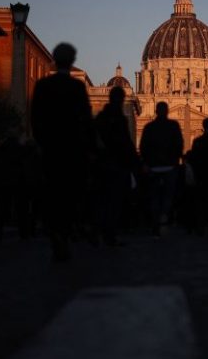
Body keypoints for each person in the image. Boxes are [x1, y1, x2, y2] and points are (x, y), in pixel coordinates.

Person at [30, 42, 94, 261]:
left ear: (55, 61)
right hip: (72, 150)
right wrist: (90, 148)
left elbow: (36, 118)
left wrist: (41, 142)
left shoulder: (42, 86)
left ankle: (55, 231)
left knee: (52, 192)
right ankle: (64, 233)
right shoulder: (76, 88)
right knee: (70, 193)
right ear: (71, 61)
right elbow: (86, 120)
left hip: (50, 149)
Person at [95, 86, 139, 246]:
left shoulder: (101, 117)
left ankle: (100, 230)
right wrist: (136, 162)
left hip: (103, 163)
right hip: (117, 164)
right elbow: (126, 142)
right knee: (114, 200)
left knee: (103, 199)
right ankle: (110, 233)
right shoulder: (120, 118)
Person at [139, 101, 183, 237]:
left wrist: (146, 163)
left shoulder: (149, 127)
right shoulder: (173, 126)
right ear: (167, 111)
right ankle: (164, 216)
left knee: (154, 196)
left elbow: (143, 147)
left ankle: (155, 223)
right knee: (168, 196)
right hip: (170, 166)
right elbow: (179, 145)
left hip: (153, 167)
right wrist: (175, 161)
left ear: (156, 111)